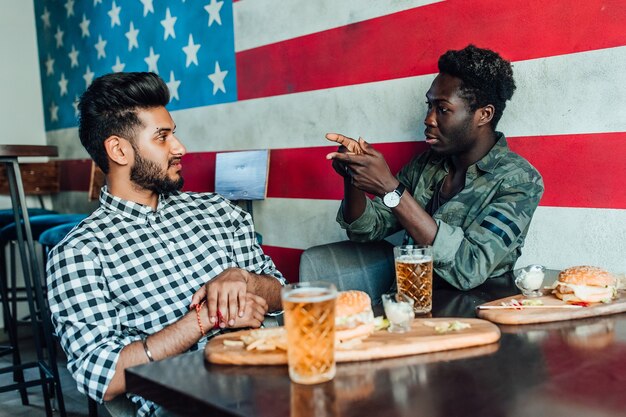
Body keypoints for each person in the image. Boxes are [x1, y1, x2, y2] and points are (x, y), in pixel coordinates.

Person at [47, 72, 285, 417]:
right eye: (162, 137)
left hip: (272, 374)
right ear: (118, 150)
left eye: (173, 133)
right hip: (188, 404)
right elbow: (103, 376)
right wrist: (204, 320)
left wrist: (245, 281)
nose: (179, 148)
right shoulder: (80, 254)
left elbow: (285, 297)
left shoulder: (217, 210)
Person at [326, 44, 544, 290]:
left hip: (472, 317)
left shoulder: (519, 180)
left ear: (484, 115)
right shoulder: (425, 165)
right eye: (429, 106)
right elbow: (366, 230)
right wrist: (353, 173)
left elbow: (469, 266)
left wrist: (392, 190)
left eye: (442, 109)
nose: (428, 119)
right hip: (407, 308)